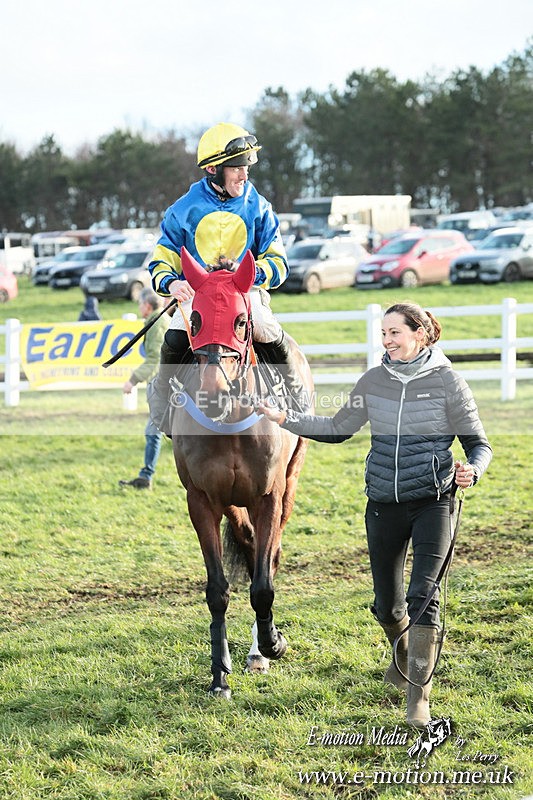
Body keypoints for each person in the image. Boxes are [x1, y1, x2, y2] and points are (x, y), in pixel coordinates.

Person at [258, 301, 492, 728]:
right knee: (388, 607)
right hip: (383, 502)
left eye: (395, 333)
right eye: (383, 333)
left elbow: (479, 443)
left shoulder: (448, 383)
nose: (386, 341)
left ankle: (418, 695)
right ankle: (401, 649)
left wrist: (471, 470)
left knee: (424, 597)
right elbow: (338, 428)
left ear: (419, 333)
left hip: (434, 500)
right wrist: (285, 419)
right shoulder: (373, 381)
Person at [147, 122, 307, 430]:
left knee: (266, 328)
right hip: (197, 297)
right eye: (236, 168)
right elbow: (161, 260)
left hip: (245, 293)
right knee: (173, 338)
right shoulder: (182, 210)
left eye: (247, 168)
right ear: (212, 168)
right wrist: (172, 282)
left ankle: (297, 400)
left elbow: (279, 262)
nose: (244, 175)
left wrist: (254, 272)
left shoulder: (259, 207)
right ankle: (162, 408)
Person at [119, 288, 171, 490]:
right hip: (165, 383)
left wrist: (132, 379)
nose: (139, 307)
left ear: (147, 306)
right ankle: (145, 476)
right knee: (155, 432)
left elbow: (155, 359)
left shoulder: (157, 324)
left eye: (140, 303)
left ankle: (146, 476)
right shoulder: (155, 322)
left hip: (165, 385)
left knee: (154, 431)